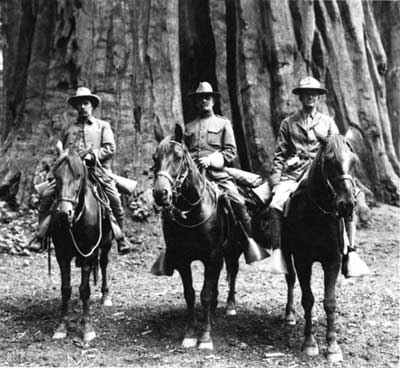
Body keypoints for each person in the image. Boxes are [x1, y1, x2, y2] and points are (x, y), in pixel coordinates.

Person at [267, 76, 369, 277]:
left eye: (313, 94)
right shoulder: (288, 123)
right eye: (306, 95)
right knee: (276, 204)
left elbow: (340, 150)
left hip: (323, 172)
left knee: (350, 200)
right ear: (301, 97)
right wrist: (277, 180)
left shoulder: (328, 122)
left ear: (318, 97)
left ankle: (351, 251)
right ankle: (278, 252)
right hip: (295, 173)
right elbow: (279, 155)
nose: (310, 98)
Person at [29, 87, 133, 255]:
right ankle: (40, 237)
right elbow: (62, 152)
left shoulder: (102, 126)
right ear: (76, 107)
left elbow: (110, 148)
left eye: (86, 103)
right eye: (79, 104)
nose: (83, 107)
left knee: (114, 198)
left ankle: (121, 238)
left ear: (92, 106)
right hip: (70, 175)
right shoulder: (67, 129)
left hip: (96, 171)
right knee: (47, 196)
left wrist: (93, 156)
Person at [183, 81, 268, 264]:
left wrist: (212, 160)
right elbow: (182, 153)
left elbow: (230, 151)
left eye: (207, 97)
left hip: (217, 175)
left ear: (213, 101)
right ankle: (174, 250)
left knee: (238, 203)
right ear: (196, 102)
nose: (204, 101)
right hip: (193, 176)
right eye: (200, 98)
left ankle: (249, 244)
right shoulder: (188, 127)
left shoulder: (223, 123)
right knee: (173, 205)